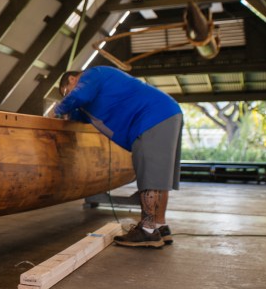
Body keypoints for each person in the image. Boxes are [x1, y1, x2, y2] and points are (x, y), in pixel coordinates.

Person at [48, 66, 183, 249]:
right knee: (159, 176)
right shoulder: (93, 97)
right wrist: (68, 114)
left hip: (152, 116)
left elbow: (78, 96)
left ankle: (148, 231)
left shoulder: (92, 74)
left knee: (150, 175)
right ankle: (160, 226)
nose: (68, 95)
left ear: (72, 79)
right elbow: (79, 115)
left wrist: (56, 110)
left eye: (66, 91)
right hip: (166, 113)